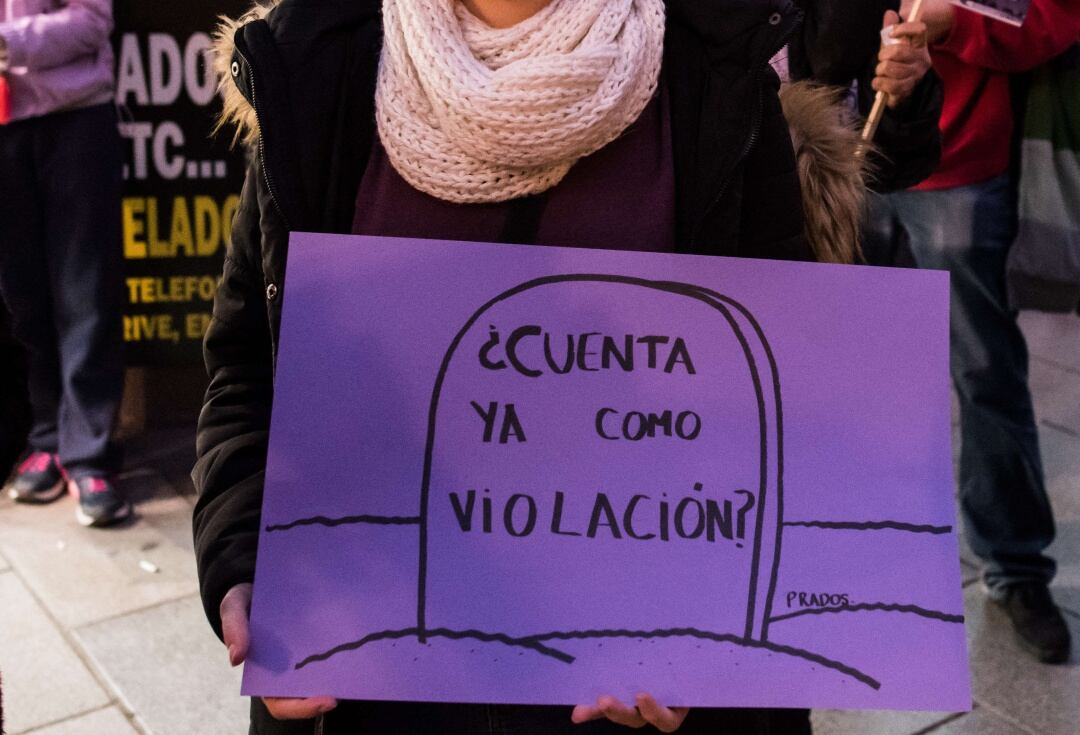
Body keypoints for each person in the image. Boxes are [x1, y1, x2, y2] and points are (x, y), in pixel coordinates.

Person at [194, 0, 901, 731]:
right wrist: (240, 555)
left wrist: (705, 626)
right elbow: (250, 368)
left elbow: (776, 409)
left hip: (630, 694)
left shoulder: (712, 69)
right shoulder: (318, 62)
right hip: (373, 688)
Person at [865, 0, 1080, 664]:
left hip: (956, 163)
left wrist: (954, 24)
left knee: (984, 371)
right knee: (840, 374)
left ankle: (1014, 565)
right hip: (829, 151)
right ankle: (846, 556)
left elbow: (1051, 17)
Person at [0, 0, 130, 526]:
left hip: (76, 117)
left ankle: (89, 453)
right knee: (17, 294)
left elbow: (94, 20)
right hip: (4, 126)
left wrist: (9, 43)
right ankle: (45, 438)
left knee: (86, 289)